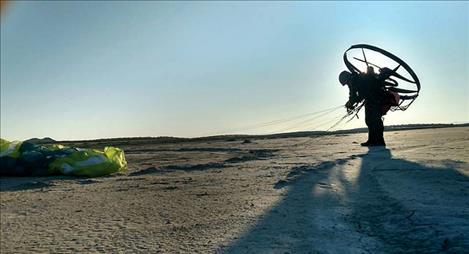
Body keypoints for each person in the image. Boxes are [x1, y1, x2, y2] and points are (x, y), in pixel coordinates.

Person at [339, 66, 389, 146]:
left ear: (348, 77)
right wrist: (350, 102)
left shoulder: (359, 79)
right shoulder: (352, 82)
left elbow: (363, 94)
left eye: (346, 82)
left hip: (376, 98)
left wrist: (352, 102)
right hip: (369, 100)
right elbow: (353, 95)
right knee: (369, 120)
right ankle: (372, 140)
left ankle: (379, 141)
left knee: (375, 120)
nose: (347, 84)